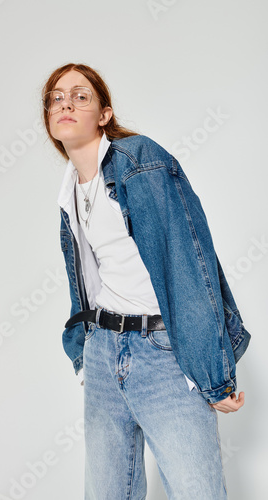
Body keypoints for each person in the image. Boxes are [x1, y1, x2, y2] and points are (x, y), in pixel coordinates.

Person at [41, 63, 251, 500]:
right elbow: (86, 278)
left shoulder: (142, 161)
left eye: (81, 96)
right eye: (56, 98)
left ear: (104, 114)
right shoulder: (70, 191)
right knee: (106, 492)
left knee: (198, 492)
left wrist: (216, 375)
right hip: (103, 350)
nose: (66, 103)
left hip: (164, 354)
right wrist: (86, 349)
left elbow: (190, 262)